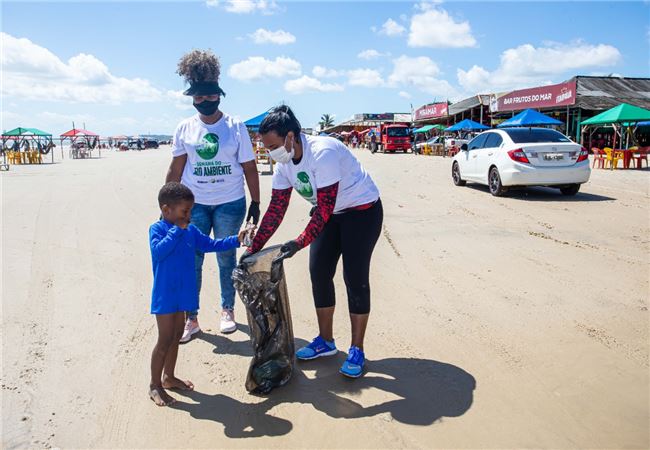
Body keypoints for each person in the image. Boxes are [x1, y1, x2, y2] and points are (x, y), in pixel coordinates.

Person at [245, 105, 383, 379]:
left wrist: (299, 242)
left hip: (361, 212)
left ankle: (357, 349)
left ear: (291, 137)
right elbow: (276, 210)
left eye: (272, 145)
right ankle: (326, 341)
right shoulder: (284, 165)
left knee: (354, 278)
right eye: (265, 146)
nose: (270, 151)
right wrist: (254, 248)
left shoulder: (323, 152)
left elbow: (324, 209)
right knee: (319, 272)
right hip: (330, 214)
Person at [166, 49, 261, 341]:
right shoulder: (184, 127)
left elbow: (249, 166)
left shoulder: (235, 126)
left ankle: (227, 310)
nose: (204, 102)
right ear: (192, 98)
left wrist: (256, 203)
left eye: (209, 96)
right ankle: (191, 319)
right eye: (198, 98)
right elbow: (176, 169)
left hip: (230, 202)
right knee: (191, 259)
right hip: (193, 206)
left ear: (219, 95)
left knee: (225, 256)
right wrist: (166, 207)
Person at [148, 182, 248, 406]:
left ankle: (168, 377)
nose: (189, 216)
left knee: (175, 337)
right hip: (165, 294)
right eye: (185, 211)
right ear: (167, 210)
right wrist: (177, 230)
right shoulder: (157, 229)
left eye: (190, 211)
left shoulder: (191, 230)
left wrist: (236, 239)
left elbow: (210, 244)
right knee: (164, 339)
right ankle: (154, 384)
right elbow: (158, 252)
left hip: (183, 293)